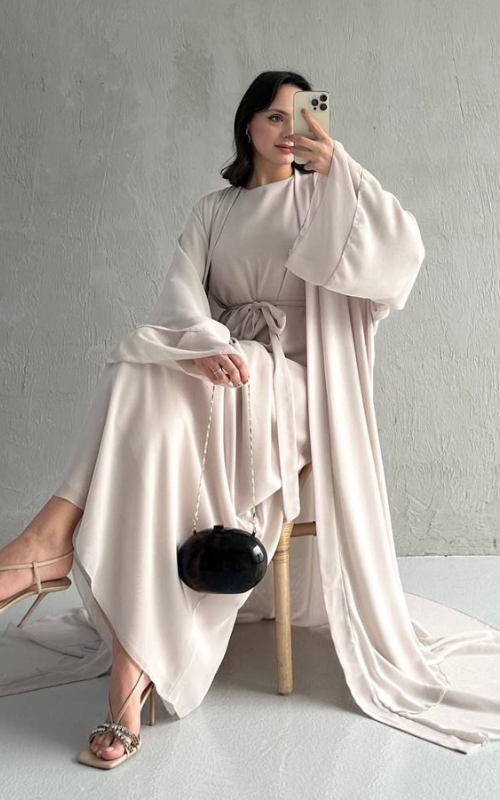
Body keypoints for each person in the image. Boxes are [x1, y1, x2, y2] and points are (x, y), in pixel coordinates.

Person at [2, 70, 500, 768]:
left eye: (301, 116)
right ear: (248, 126)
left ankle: (48, 540)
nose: (287, 129)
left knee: (138, 374)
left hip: (297, 381)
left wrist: (340, 167)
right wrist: (205, 345)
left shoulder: (326, 194)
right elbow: (180, 298)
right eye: (273, 116)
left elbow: (399, 257)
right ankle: (128, 668)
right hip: (223, 369)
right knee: (140, 371)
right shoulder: (215, 210)